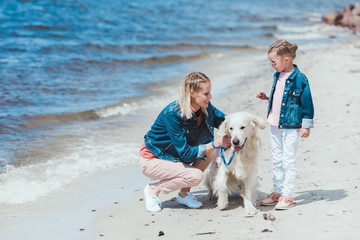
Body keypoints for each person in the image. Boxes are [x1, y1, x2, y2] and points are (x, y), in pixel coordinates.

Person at [139, 72, 230, 213]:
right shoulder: (173, 113)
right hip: (153, 160)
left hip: (177, 158)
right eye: (206, 93)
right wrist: (215, 143)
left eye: (210, 92)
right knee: (196, 176)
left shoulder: (205, 107)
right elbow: (186, 154)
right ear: (192, 93)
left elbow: (225, 121)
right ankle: (153, 189)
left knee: (210, 151)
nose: (210, 97)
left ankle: (184, 194)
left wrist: (241, 127)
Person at [256, 40, 314, 210]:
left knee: (288, 159)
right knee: (277, 159)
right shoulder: (278, 75)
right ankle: (277, 192)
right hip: (275, 123)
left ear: (287, 59)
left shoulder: (300, 79)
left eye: (273, 62)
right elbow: (282, 97)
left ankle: (287, 195)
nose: (271, 65)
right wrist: (268, 97)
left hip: (291, 125)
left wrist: (306, 125)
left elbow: (306, 103)